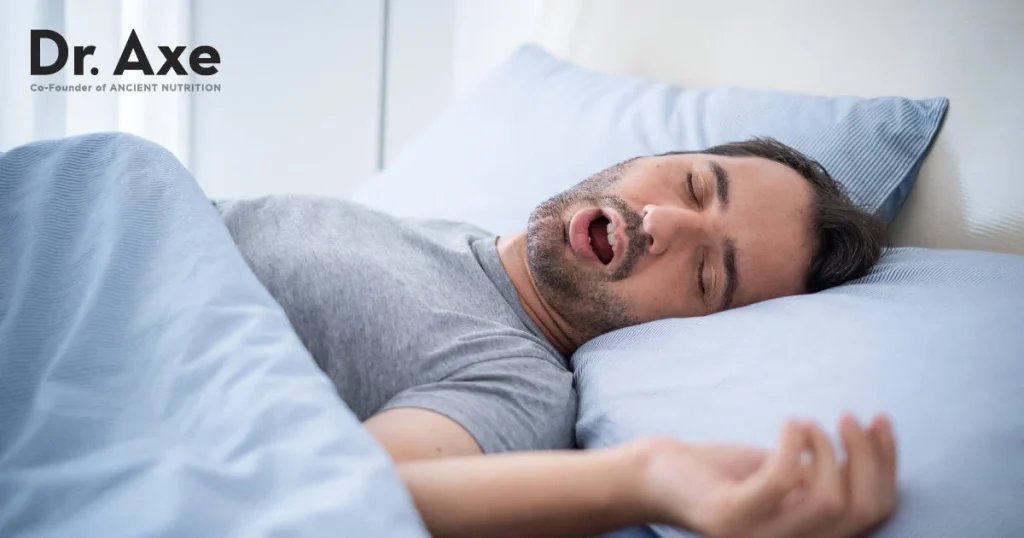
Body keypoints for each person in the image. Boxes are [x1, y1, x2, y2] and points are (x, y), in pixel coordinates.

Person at [217, 137, 894, 537]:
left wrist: (645, 477)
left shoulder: (518, 382)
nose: (663, 221)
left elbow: (349, 492)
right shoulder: (454, 237)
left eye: (706, 273)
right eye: (691, 183)